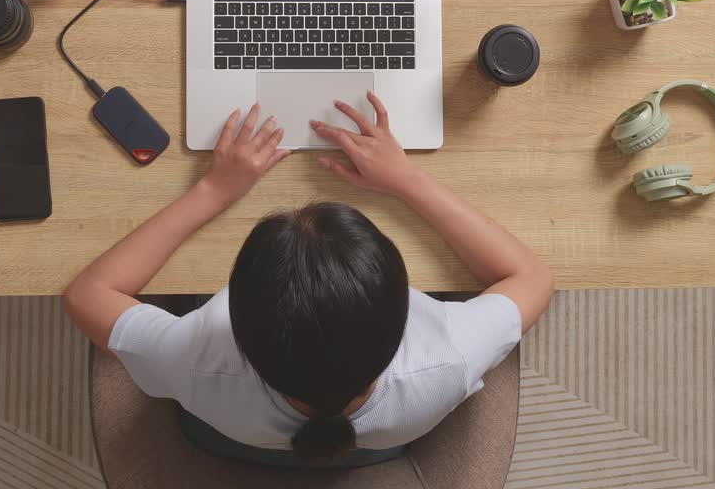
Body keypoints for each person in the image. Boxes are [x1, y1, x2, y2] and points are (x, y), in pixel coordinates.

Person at [64, 92, 554, 468]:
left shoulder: (194, 361)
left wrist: (214, 190)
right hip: (388, 437)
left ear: (237, 328)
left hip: (232, 433)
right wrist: (408, 180)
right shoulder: (445, 360)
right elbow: (530, 277)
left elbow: (88, 295)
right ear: (402, 317)